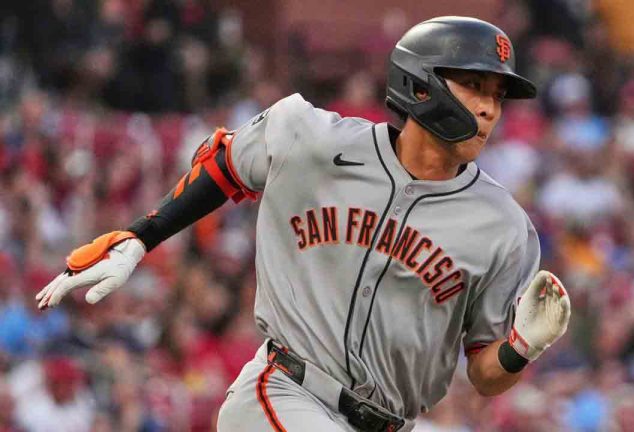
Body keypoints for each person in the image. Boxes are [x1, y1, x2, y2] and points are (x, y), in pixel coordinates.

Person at [36, 17, 571, 431]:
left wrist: (521, 347)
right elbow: (224, 163)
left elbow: (484, 373)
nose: (489, 108)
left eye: (497, 95)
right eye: (474, 85)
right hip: (285, 393)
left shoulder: (503, 227)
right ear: (423, 84)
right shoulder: (313, 139)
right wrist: (141, 236)